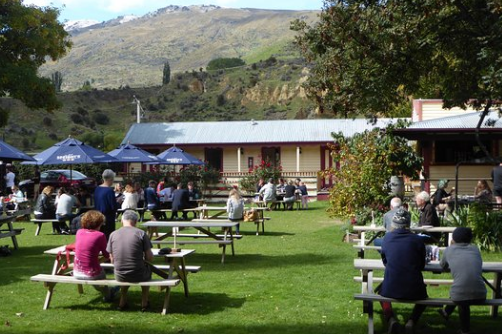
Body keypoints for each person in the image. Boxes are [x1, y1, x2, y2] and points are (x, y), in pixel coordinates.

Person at [380, 208, 428, 334]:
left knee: (381, 292)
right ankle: (412, 321)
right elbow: (421, 265)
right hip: (414, 288)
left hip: (391, 287)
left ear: (394, 224)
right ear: (408, 224)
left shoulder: (387, 238)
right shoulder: (417, 240)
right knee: (424, 296)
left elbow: (385, 261)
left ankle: (390, 319)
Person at [438, 227, 486, 334]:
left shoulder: (449, 250)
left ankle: (465, 330)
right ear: (470, 239)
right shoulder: (475, 249)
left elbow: (443, 266)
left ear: (453, 238)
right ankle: (446, 312)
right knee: (462, 288)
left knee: (461, 294)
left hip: (460, 295)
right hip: (481, 293)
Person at [107, 210, 153, 311]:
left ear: (122, 221)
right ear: (136, 221)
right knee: (148, 269)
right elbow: (150, 257)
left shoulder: (113, 234)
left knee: (125, 270)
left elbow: (112, 259)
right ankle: (144, 302)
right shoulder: (141, 233)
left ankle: (122, 301)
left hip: (119, 275)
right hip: (138, 274)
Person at [73, 210, 115, 301]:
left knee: (95, 271)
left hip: (76, 272)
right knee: (100, 274)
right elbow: (107, 254)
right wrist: (99, 261)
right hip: (91, 273)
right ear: (99, 223)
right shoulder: (100, 235)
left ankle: (108, 291)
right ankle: (108, 296)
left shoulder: (79, 232)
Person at [94, 169, 119, 240]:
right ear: (111, 179)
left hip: (98, 216)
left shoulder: (97, 189)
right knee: (108, 237)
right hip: (108, 218)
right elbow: (113, 207)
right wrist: (118, 202)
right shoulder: (109, 190)